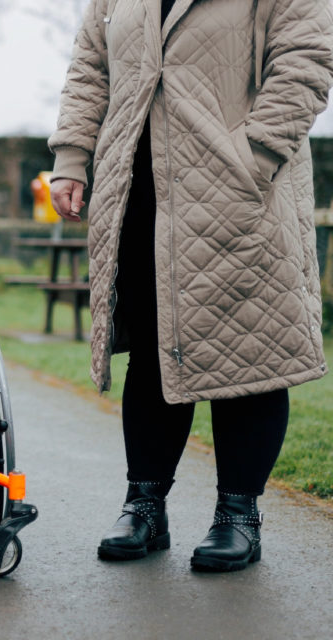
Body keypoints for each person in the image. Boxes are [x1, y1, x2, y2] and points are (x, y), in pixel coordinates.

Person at [48, 0, 333, 572]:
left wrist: (250, 159)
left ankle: (237, 515)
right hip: (141, 192)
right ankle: (144, 505)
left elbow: (305, 61)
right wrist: (73, 156)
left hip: (246, 193)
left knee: (251, 349)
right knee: (154, 349)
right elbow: (90, 66)